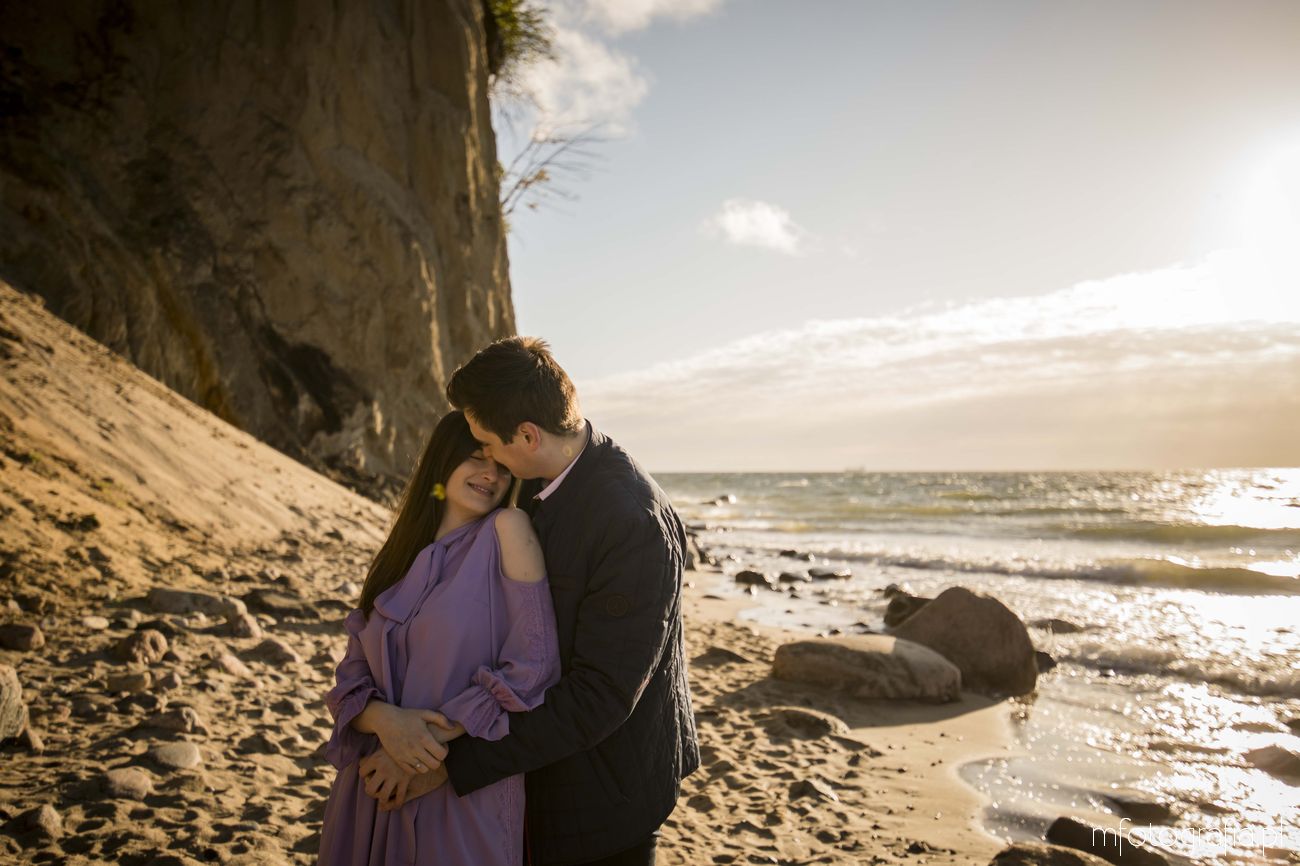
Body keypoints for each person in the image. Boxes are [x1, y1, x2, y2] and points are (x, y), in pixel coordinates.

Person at [389, 336, 702, 866]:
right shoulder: (540, 483)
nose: (486, 458)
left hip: (607, 797)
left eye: (487, 442)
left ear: (528, 435)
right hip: (542, 775)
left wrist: (451, 765)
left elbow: (600, 698)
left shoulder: (630, 521)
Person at [316, 409, 561, 866]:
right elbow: (350, 677)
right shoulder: (401, 555)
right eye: (475, 458)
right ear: (442, 463)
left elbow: (534, 666)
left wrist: (418, 748)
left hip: (455, 788)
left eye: (502, 466)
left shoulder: (507, 530)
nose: (491, 474)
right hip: (371, 781)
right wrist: (387, 723)